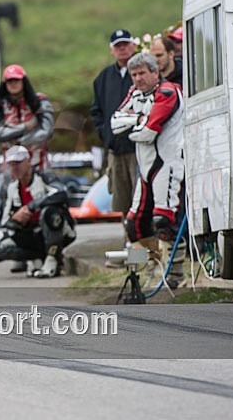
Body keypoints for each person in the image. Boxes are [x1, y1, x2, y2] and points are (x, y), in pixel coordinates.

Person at [110, 51, 185, 288]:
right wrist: (140, 118)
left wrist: (133, 121)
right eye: (133, 74)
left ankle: (175, 275)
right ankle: (145, 269)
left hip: (168, 163)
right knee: (133, 224)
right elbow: (114, 123)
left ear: (155, 72)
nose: (138, 79)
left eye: (142, 73)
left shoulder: (167, 92)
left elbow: (148, 131)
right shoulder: (134, 92)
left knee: (164, 220)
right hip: (145, 167)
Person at [0, 145, 76, 277]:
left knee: (50, 213)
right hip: (30, 235)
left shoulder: (44, 177)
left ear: (28, 161)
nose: (15, 167)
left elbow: (61, 193)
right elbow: (5, 221)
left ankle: (52, 259)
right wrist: (16, 219)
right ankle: (36, 257)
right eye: (11, 164)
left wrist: (33, 206)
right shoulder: (10, 187)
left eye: (18, 162)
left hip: (56, 229)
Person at [90, 29, 138, 224]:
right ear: (112, 50)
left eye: (126, 45)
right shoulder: (103, 78)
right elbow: (96, 111)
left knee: (140, 197)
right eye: (118, 46)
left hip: (137, 147)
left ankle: (146, 243)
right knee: (121, 199)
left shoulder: (141, 72)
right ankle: (129, 240)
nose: (123, 49)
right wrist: (106, 135)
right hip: (115, 151)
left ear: (133, 46)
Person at [0, 64, 54, 170]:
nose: (13, 84)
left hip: (38, 163)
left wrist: (17, 140)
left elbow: (46, 131)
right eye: (10, 81)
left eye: (16, 80)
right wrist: (25, 127)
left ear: (24, 81)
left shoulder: (41, 100)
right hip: (10, 165)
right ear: (5, 83)